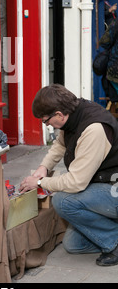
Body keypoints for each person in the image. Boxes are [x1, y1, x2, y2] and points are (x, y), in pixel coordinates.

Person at [19, 83, 118, 266]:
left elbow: (76, 183)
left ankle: (114, 241)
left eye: (45, 121)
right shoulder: (73, 114)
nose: (47, 125)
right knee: (73, 245)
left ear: (58, 114)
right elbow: (60, 144)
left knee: (63, 201)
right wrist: (44, 167)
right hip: (103, 184)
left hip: (113, 188)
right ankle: (110, 233)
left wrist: (40, 182)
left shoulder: (93, 129)